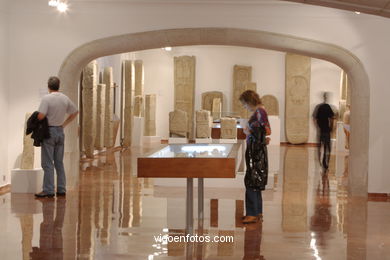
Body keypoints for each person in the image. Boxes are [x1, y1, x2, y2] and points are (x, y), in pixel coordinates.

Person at [35, 76, 79, 198]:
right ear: (58, 86)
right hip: (60, 130)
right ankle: (61, 189)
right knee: (59, 162)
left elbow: (40, 116)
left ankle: (48, 190)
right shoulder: (65, 98)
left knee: (47, 163)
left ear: (48, 86)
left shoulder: (47, 98)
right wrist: (64, 124)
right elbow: (75, 111)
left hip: (49, 132)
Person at [239, 90, 271, 224]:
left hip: (256, 151)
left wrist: (247, 130)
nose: (244, 107)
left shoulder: (259, 113)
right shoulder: (260, 112)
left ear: (249, 101)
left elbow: (260, 133)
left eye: (244, 104)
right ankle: (257, 212)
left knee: (252, 181)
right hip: (257, 151)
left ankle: (252, 213)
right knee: (255, 181)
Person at [313, 92, 335, 171]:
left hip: (321, 130)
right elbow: (332, 118)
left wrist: (317, 127)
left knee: (320, 146)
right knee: (327, 147)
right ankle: (325, 163)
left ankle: (321, 162)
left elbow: (314, 119)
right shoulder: (327, 107)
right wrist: (332, 127)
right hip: (326, 130)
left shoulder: (319, 107)